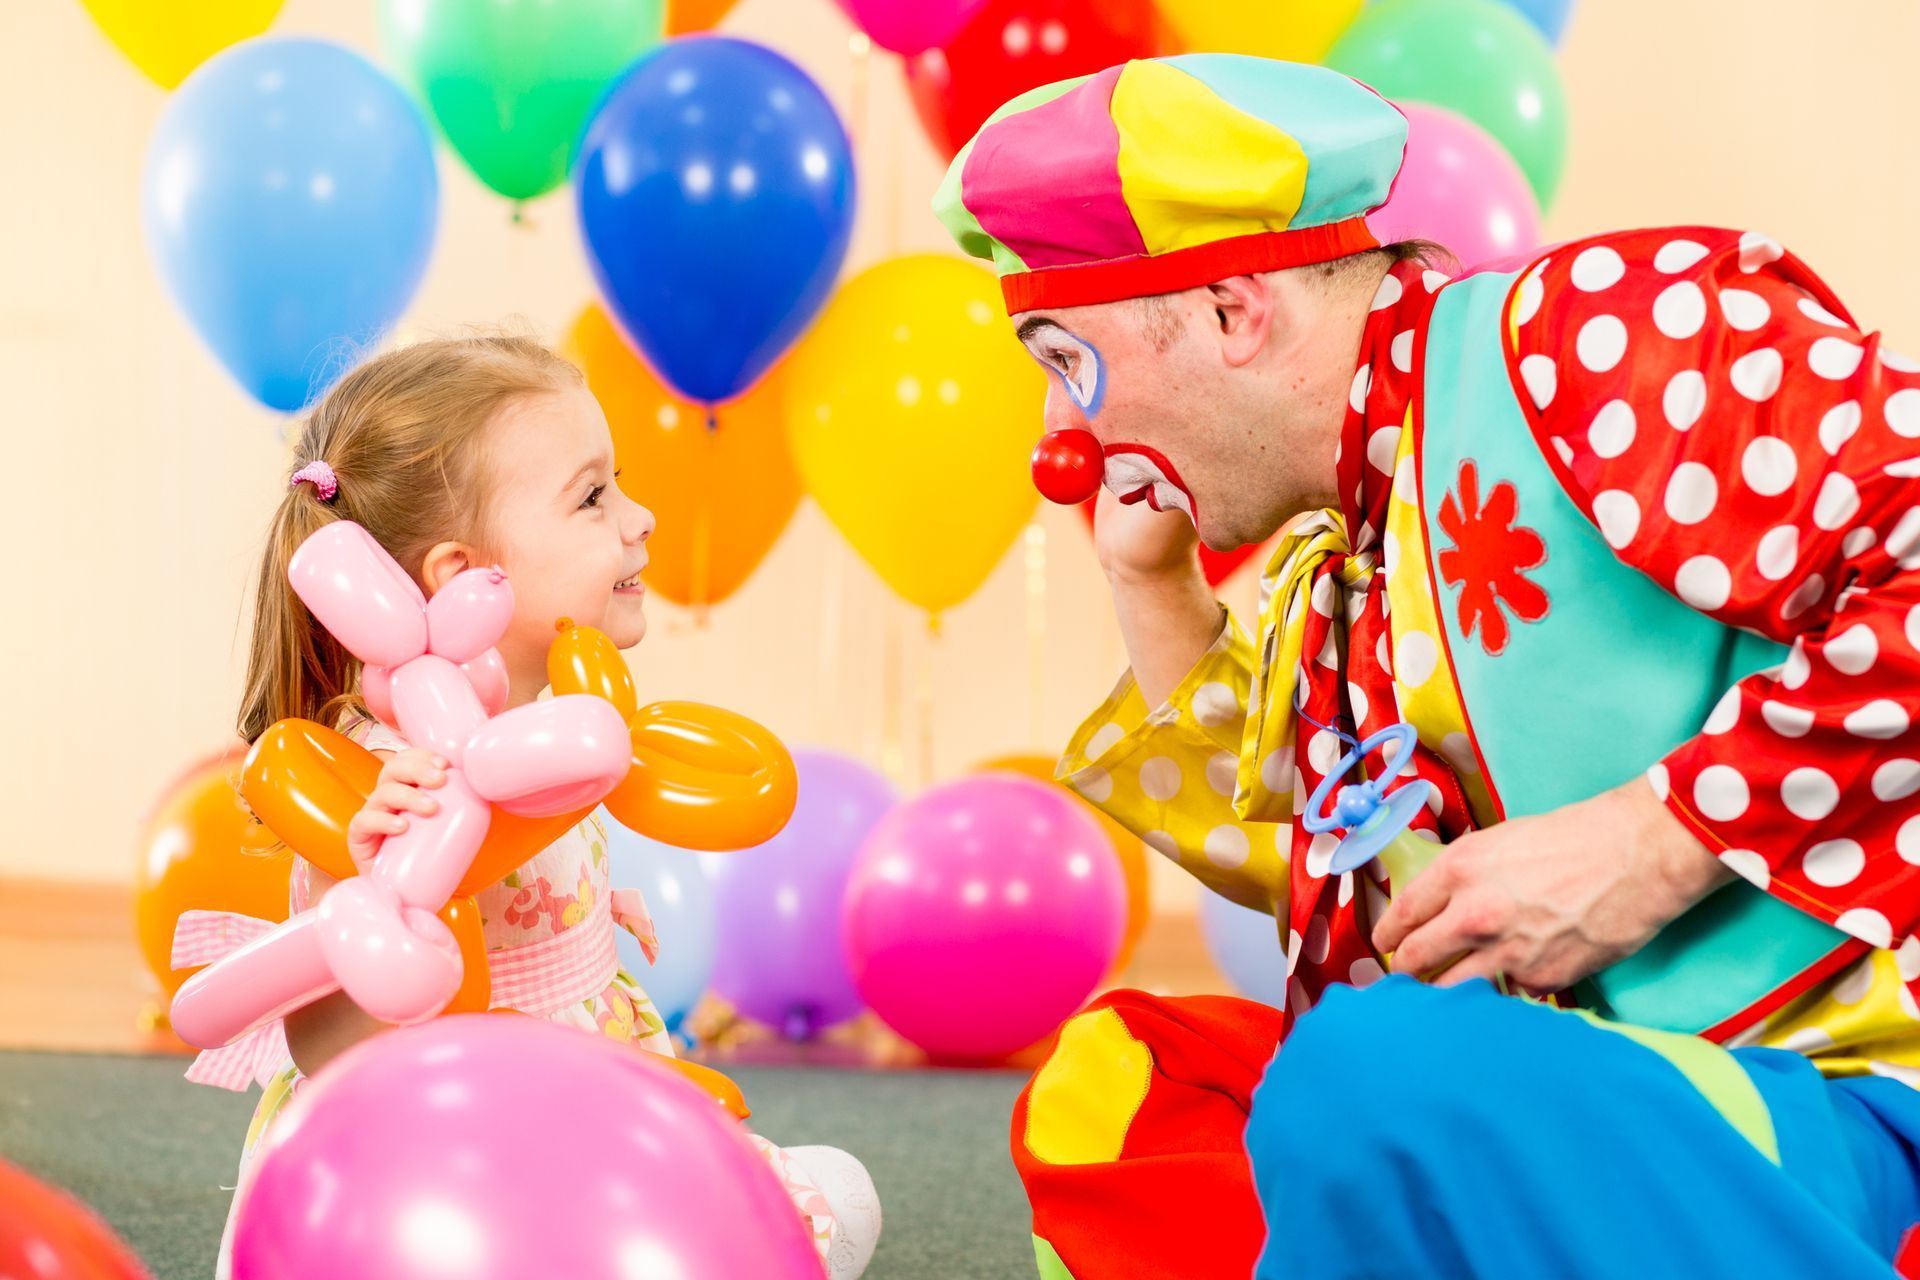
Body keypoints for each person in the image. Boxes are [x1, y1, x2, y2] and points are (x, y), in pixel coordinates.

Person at [935, 54, 1920, 1278]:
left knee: (1365, 1078)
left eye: (1065, 365)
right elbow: (1325, 877)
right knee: (1127, 1094)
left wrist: (1650, 840)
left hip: (1839, 1096)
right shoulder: (1351, 541)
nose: (1061, 442)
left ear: (1237, 312)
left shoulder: (1590, 328)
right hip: (1584, 1099)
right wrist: (1151, 581)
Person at [204, 334, 880, 1279]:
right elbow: (328, 1037)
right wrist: (349, 868)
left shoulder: (548, 721)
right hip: (447, 1157)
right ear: (459, 573)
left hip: (583, 1088)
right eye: (592, 495)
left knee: (834, 1200)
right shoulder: (387, 780)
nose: (640, 517)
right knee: (801, 1217)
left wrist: (584, 908)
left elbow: (520, 879)